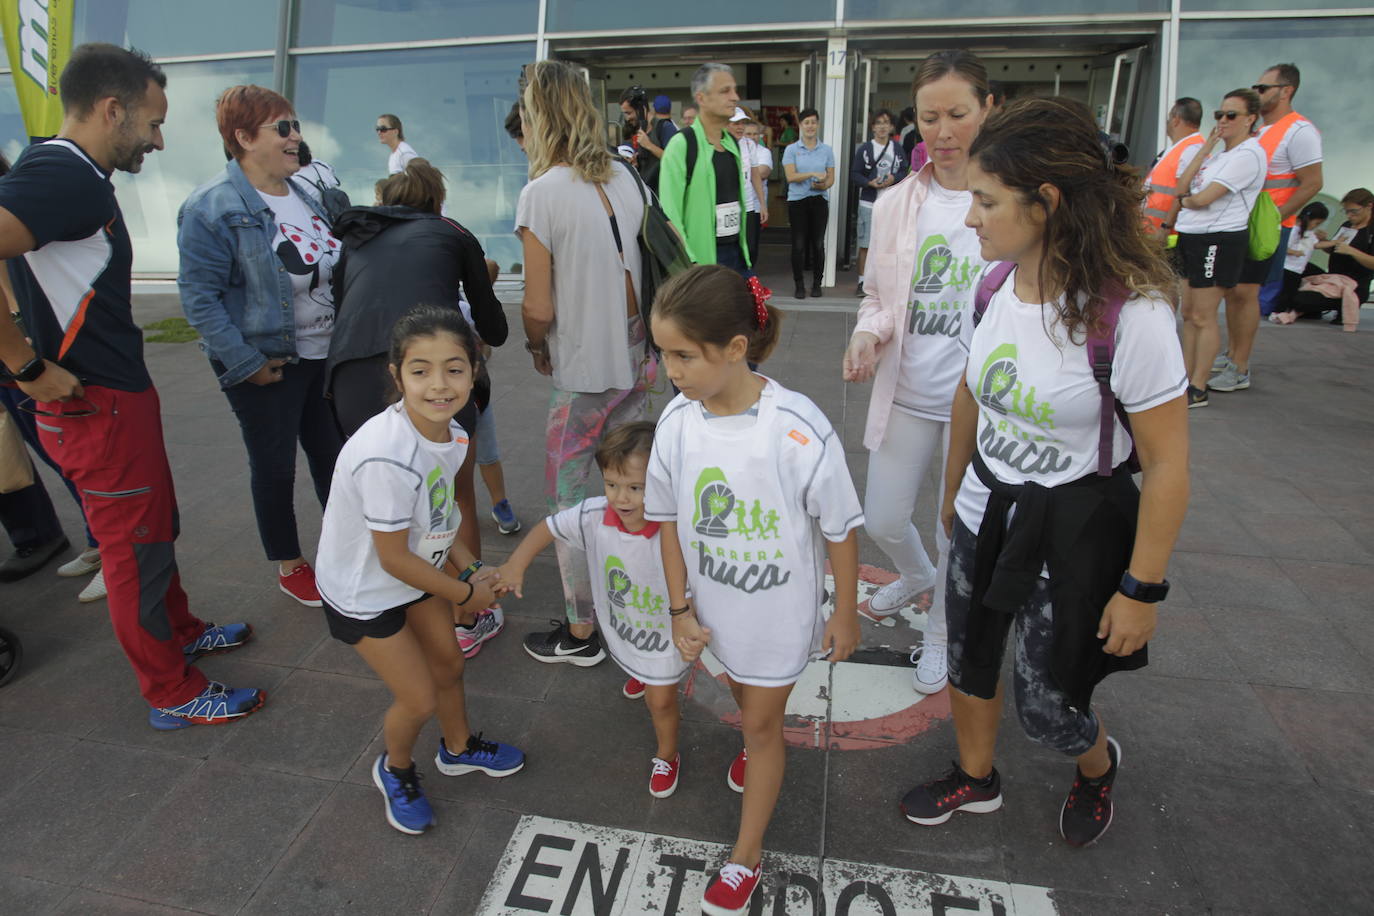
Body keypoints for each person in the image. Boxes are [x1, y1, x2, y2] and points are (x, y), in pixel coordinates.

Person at [899, 96, 1189, 850]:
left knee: (1048, 704)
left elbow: (1165, 466)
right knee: (968, 660)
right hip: (985, 510)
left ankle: (1095, 767)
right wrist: (953, 493)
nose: (972, 219)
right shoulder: (994, 287)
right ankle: (976, 777)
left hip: (1072, 529)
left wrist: (1140, 591)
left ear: (1048, 202)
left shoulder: (1132, 315)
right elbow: (971, 388)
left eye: (987, 202)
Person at [0, 43, 261, 728]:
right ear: (111, 109)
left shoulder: (62, 170)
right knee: (132, 547)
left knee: (155, 525)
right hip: (95, 404)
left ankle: (178, 631)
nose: (159, 138)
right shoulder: (67, 176)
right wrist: (24, 363)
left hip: (115, 397)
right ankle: (170, 691)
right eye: (150, 122)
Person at [644, 264, 861, 914]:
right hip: (714, 612)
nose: (670, 370)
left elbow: (841, 525)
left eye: (684, 355)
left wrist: (844, 612)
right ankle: (755, 738)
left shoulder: (795, 427)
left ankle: (746, 856)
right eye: (663, 354)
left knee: (763, 723)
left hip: (779, 617)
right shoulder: (678, 425)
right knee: (744, 698)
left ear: (736, 349)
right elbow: (668, 522)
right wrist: (680, 607)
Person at [315, 304, 523, 835]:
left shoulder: (450, 434)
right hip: (367, 593)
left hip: (416, 575)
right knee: (418, 697)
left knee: (449, 665)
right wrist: (463, 592)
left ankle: (458, 749)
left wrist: (472, 567)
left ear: (474, 371)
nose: (439, 384)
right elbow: (392, 558)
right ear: (396, 374)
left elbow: (440, 518)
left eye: (454, 368)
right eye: (420, 370)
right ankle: (396, 769)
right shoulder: (387, 455)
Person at [842, 50, 993, 695]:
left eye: (958, 113)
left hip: (981, 401)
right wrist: (866, 335)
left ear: (989, 110)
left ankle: (938, 636)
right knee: (881, 518)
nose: (944, 131)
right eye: (929, 117)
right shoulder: (898, 203)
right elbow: (876, 297)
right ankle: (919, 575)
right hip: (906, 388)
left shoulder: (1009, 202)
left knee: (956, 525)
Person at [328, 157, 510, 655]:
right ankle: (465, 614)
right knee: (454, 496)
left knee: (383, 493)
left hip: (349, 375)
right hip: (429, 373)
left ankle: (394, 604)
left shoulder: (359, 238)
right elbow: (494, 328)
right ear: (436, 202)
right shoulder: (450, 231)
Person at [178, 85, 345, 606]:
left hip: (326, 358)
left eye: (296, 125)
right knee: (274, 466)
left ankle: (347, 549)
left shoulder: (307, 194)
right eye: (284, 128)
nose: (297, 137)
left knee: (334, 460)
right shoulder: (212, 206)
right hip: (270, 364)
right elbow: (199, 299)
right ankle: (290, 563)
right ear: (244, 138)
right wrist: (245, 362)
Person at [515, 60, 657, 667]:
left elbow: (538, 306)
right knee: (633, 485)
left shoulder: (540, 193)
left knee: (567, 503)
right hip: (638, 355)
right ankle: (642, 596)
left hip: (583, 368)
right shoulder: (626, 176)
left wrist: (533, 342)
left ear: (538, 116)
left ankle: (581, 630)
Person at [498, 421, 689, 791]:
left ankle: (667, 755)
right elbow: (550, 527)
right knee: (647, 677)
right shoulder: (595, 515)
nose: (621, 498)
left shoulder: (678, 528)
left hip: (670, 631)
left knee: (662, 701)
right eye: (612, 484)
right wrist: (515, 564)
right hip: (629, 625)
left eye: (636, 488)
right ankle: (643, 671)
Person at [1212, 64, 1323, 392]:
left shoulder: (1299, 130)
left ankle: (1240, 366)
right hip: (1240, 223)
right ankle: (1232, 354)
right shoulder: (1260, 130)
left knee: (1246, 293)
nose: (1256, 93)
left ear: (1286, 90)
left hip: (1264, 226)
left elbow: (1313, 182)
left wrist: (1273, 219)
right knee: (1233, 292)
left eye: (1262, 88)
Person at [1173, 89, 1267, 409]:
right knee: (1188, 314)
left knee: (1203, 314)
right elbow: (1182, 187)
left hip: (1218, 238)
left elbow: (1200, 199)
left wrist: (1185, 202)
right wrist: (1207, 147)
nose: (1223, 121)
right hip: (1191, 234)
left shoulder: (1249, 154)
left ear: (1250, 119)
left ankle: (1198, 386)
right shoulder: (1219, 154)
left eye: (1231, 115)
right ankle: (1184, 380)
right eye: (1219, 115)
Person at [658, 63, 752, 278]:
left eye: (735, 89)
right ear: (701, 98)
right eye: (725, 91)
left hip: (736, 256)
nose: (735, 97)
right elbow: (670, 213)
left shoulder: (732, 144)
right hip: (701, 264)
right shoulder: (682, 144)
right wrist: (692, 263)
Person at [1280, 190, 1374, 324]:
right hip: (1331, 277)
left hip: (1353, 284)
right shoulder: (1347, 225)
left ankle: (1329, 304)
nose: (1349, 215)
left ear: (1369, 206)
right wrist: (1325, 242)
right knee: (1293, 268)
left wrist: (1352, 251)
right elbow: (1335, 250)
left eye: (1354, 211)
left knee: (1297, 300)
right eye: (1346, 211)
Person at [849, 107, 909, 296]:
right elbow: (854, 174)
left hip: (890, 203)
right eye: (878, 123)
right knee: (865, 243)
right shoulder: (866, 149)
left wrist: (894, 178)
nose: (882, 127)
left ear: (891, 127)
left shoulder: (897, 149)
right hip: (868, 202)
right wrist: (869, 182)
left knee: (888, 244)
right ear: (872, 127)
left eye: (885, 123)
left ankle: (884, 281)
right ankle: (861, 281)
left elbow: (904, 172)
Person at [783, 108, 835, 299]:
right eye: (806, 122)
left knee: (818, 244)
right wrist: (811, 175)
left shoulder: (826, 150)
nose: (810, 126)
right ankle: (799, 285)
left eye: (813, 122)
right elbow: (790, 176)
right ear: (801, 126)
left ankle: (816, 284)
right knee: (798, 245)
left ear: (818, 124)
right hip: (797, 201)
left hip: (819, 200)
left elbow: (831, 179)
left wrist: (823, 184)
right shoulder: (792, 150)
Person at [1142, 98, 1205, 245]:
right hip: (1151, 230)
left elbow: (1182, 193)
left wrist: (1166, 227)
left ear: (1176, 120)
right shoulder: (1180, 148)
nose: (1168, 123)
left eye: (1169, 118)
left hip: (1163, 234)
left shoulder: (1191, 150)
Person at [726, 107, 770, 268]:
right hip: (728, 207)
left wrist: (762, 204)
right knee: (731, 248)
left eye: (742, 123)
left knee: (750, 248)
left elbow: (755, 175)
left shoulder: (749, 145)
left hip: (748, 205)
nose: (740, 127)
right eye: (736, 123)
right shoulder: (719, 144)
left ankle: (745, 281)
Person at [1273, 201, 1327, 314]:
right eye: (1316, 223)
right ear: (1309, 218)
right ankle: (1277, 312)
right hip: (1288, 267)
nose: (1316, 226)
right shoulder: (1294, 229)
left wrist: (1335, 242)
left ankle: (1284, 311)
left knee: (1291, 291)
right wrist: (1295, 252)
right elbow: (1282, 247)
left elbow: (1316, 245)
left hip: (1298, 269)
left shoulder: (1309, 232)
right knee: (1285, 292)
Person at [621, 89, 678, 193]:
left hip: (663, 196)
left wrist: (649, 145)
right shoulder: (635, 130)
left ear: (642, 109)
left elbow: (675, 161)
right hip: (644, 194)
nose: (627, 118)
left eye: (629, 113)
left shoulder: (665, 128)